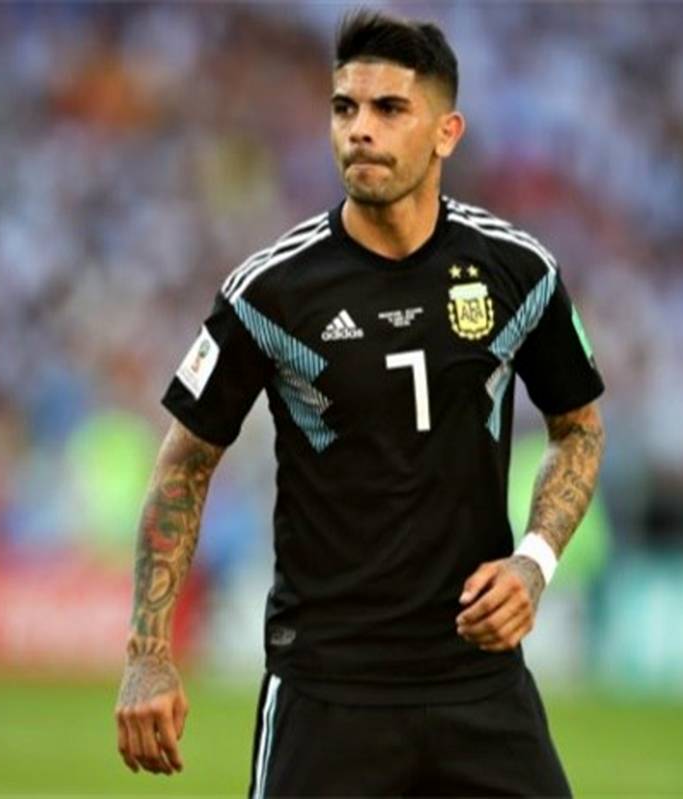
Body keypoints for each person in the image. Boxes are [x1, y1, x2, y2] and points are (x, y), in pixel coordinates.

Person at [114, 10, 605, 796]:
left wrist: (535, 561)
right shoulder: (271, 292)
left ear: (446, 133)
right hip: (327, 692)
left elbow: (577, 428)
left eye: (389, 109)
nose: (360, 130)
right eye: (344, 108)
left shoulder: (518, 272)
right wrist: (148, 654)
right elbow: (183, 466)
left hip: (478, 683)